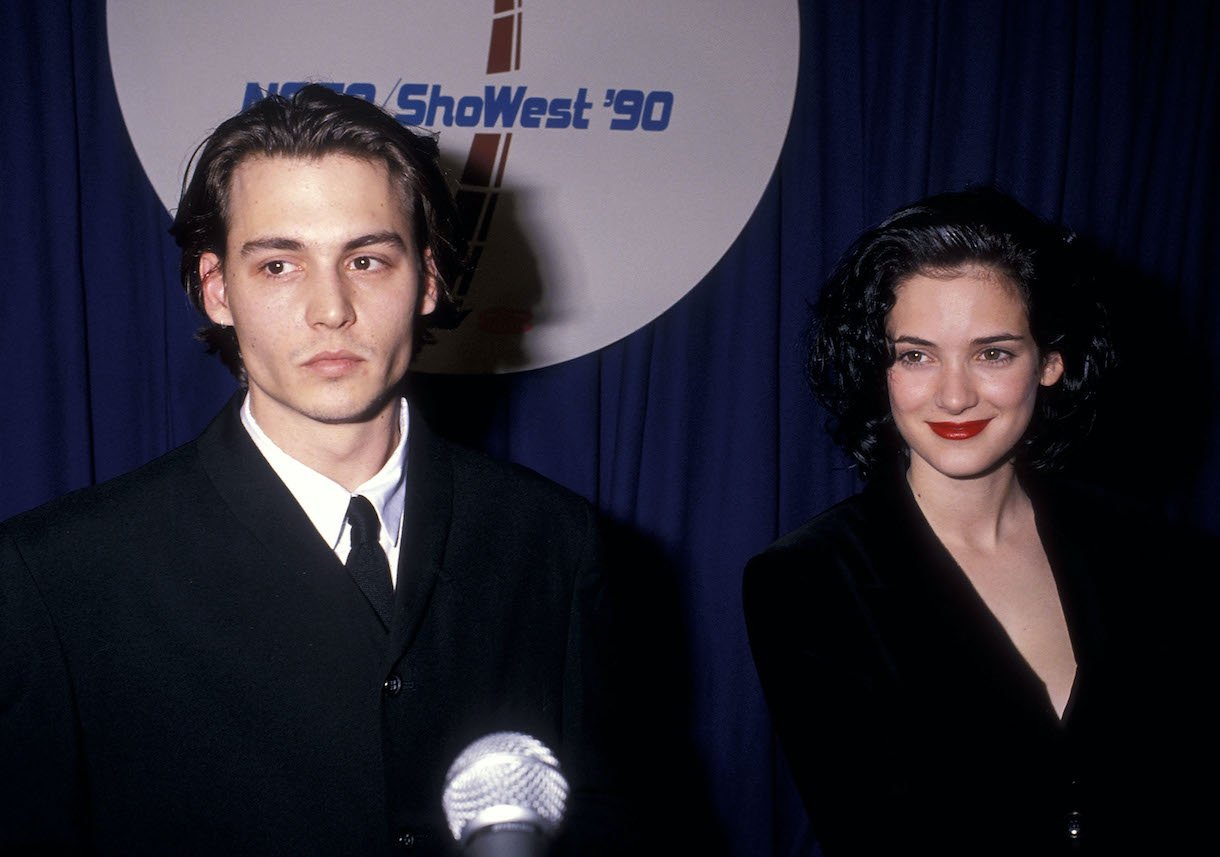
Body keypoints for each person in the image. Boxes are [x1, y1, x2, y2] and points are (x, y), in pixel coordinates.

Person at [1, 85, 620, 856]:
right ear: (217, 288)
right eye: (279, 265)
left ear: (426, 280)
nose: (331, 308)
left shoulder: (551, 540)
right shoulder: (59, 577)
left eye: (366, 258)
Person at [743, 187, 1212, 856]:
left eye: (992, 352)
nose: (955, 393)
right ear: (880, 370)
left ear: (1051, 361)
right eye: (916, 354)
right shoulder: (808, 579)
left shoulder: (1150, 551)